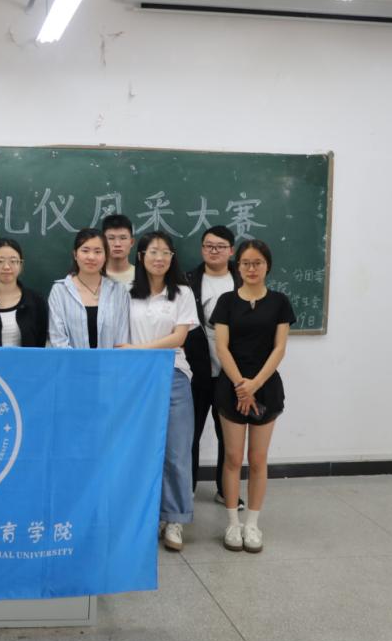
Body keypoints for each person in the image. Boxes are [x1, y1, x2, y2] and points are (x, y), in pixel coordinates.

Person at [212, 239, 295, 554]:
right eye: (245, 263)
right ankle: (233, 523)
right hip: (231, 387)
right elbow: (222, 348)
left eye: (257, 262)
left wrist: (254, 385)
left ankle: (252, 523)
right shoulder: (226, 301)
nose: (251, 268)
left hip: (266, 387)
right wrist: (240, 385)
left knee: (258, 459)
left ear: (267, 266)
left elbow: (279, 348)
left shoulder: (280, 302)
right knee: (233, 458)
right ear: (238, 266)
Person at [118, 231, 198, 552]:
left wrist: (138, 349)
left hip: (172, 372)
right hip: (135, 378)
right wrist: (135, 355)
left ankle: (175, 519)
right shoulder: (125, 293)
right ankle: (147, 516)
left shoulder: (182, 293)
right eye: (153, 251)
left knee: (176, 451)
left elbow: (179, 338)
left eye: (165, 252)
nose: (159, 258)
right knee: (139, 450)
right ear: (140, 256)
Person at [184, 225, 244, 509]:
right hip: (196, 372)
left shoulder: (242, 280)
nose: (214, 251)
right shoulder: (188, 281)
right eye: (208, 245)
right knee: (190, 434)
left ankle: (225, 490)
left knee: (229, 437)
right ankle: (186, 490)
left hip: (232, 374)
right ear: (202, 249)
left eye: (220, 246)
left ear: (231, 250)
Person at [48, 228, 129, 349]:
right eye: (85, 251)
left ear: (106, 256)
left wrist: (111, 361)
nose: (91, 257)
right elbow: (58, 340)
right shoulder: (60, 291)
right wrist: (79, 361)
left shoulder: (118, 291)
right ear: (75, 254)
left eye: (98, 252)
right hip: (70, 361)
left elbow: (122, 338)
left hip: (111, 361)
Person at [102, 214, 136, 289]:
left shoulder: (143, 276)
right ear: (103, 241)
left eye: (123, 238)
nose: (117, 244)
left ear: (132, 242)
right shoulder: (94, 276)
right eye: (111, 238)